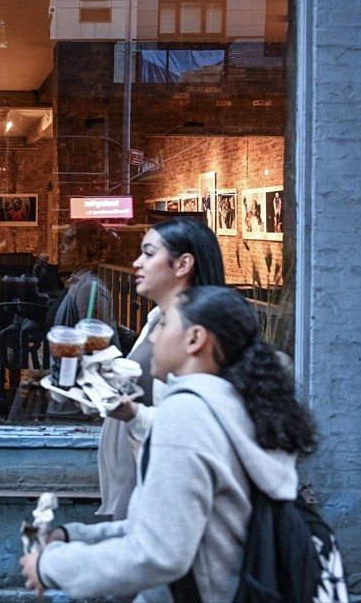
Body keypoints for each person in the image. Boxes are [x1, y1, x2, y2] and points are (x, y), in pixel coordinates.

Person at [20, 286, 318, 602]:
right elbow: (169, 528)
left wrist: (49, 566)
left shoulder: (187, 416)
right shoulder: (233, 408)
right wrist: (73, 536)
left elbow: (156, 553)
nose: (150, 337)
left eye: (162, 325)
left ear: (195, 339)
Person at [99, 217, 226, 522]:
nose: (136, 262)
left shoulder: (196, 335)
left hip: (165, 492)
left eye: (148, 253)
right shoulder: (158, 318)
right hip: (140, 478)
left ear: (182, 265)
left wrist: (134, 415)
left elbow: (198, 428)